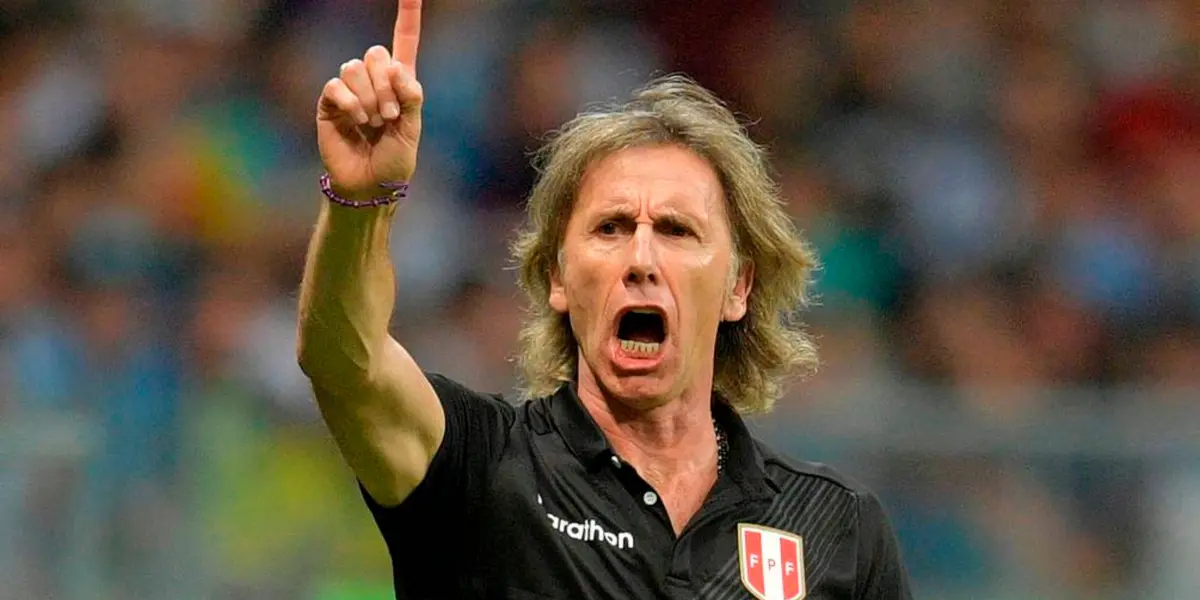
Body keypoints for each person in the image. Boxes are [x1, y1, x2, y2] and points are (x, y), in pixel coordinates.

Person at [297, 2, 912, 598]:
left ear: (738, 287)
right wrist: (364, 199)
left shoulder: (836, 529)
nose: (641, 259)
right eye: (611, 228)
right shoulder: (484, 465)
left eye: (676, 230)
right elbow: (346, 362)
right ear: (560, 278)